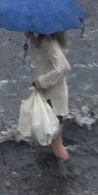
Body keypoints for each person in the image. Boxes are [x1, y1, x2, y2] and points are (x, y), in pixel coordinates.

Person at [26, 31, 71, 160]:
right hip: (50, 96)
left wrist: (41, 81)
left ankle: (64, 171)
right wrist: (32, 38)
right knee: (54, 139)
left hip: (54, 99)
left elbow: (64, 67)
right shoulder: (45, 42)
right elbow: (44, 58)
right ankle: (61, 166)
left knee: (56, 143)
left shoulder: (50, 43)